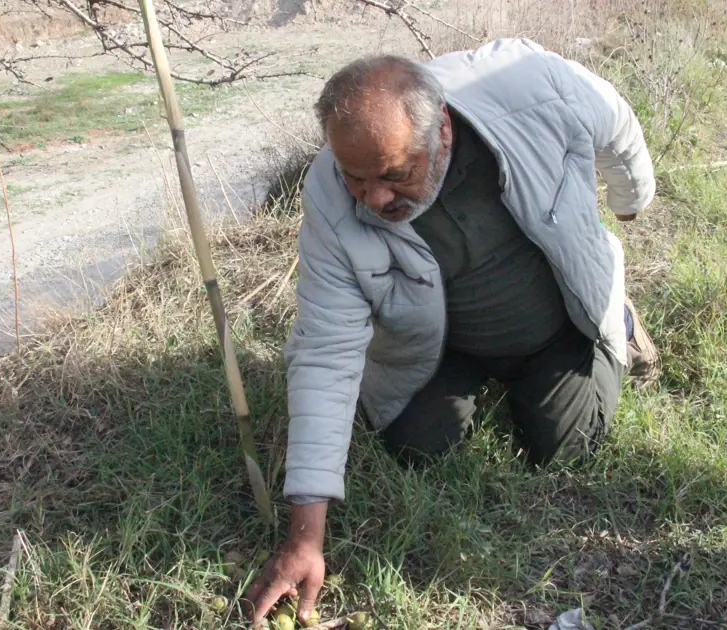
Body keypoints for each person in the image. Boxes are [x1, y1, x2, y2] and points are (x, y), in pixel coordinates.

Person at [245, 38, 659, 624]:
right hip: (445, 346)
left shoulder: (531, 84)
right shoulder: (331, 194)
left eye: (392, 175)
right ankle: (479, 376)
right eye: (356, 179)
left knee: (563, 449)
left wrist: (630, 199)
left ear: (440, 129)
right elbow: (325, 351)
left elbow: (614, 118)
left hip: (555, 325)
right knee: (414, 446)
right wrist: (305, 537)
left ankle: (615, 314)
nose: (374, 198)